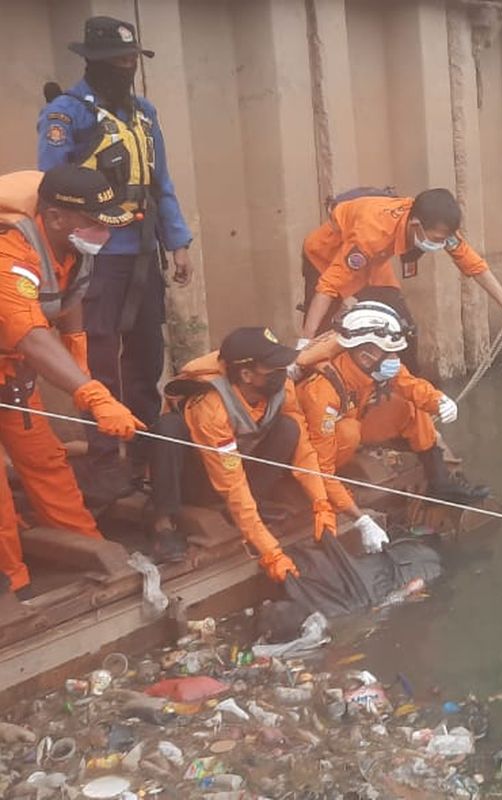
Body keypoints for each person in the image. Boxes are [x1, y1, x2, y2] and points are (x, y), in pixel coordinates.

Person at [38, 16, 194, 499]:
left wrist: (178, 241)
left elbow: (159, 184)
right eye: (121, 60)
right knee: (99, 359)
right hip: (96, 257)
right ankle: (106, 462)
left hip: (144, 253)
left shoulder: (144, 113)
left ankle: (146, 455)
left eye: (133, 59)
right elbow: (55, 189)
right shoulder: (68, 116)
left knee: (146, 359)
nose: (129, 67)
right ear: (95, 62)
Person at [0, 165, 145, 598]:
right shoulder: (10, 254)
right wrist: (91, 393)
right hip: (18, 350)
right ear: (57, 216)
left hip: (13, 374)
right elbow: (27, 331)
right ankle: (13, 585)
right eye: (94, 223)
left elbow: (66, 300)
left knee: (46, 463)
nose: (102, 232)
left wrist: (77, 356)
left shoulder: (71, 246)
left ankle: (87, 547)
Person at [147, 328, 344, 576]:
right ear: (247, 374)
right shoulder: (211, 407)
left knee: (289, 429)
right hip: (199, 478)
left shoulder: (280, 387)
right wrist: (271, 551)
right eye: (273, 368)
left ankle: (251, 507)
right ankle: (163, 525)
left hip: (235, 464)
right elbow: (232, 484)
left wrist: (321, 502)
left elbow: (303, 449)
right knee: (168, 427)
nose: (282, 372)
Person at [295, 288, 489, 519]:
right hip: (318, 444)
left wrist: (439, 401)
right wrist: (354, 513)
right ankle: (340, 488)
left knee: (410, 408)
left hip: (355, 417)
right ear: (366, 354)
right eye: (391, 354)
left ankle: (440, 482)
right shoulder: (322, 391)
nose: (395, 360)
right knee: (348, 432)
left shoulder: (367, 364)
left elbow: (408, 383)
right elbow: (321, 466)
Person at [298, 188, 502, 361]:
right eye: (437, 240)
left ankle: (406, 397)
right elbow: (328, 286)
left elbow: (475, 266)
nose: (442, 244)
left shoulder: (437, 226)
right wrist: (306, 341)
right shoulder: (373, 233)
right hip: (325, 256)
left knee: (403, 327)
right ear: (415, 225)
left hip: (376, 262)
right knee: (326, 337)